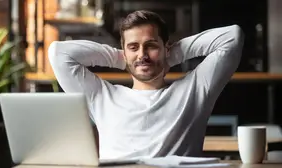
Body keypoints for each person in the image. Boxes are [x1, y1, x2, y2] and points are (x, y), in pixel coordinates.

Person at [48, 10, 244, 160]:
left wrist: (171, 55)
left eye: (151, 46)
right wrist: (122, 60)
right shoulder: (101, 96)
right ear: (124, 52)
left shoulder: (194, 90)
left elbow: (232, 37)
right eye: (133, 47)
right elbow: (59, 54)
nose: (142, 54)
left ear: (165, 48)